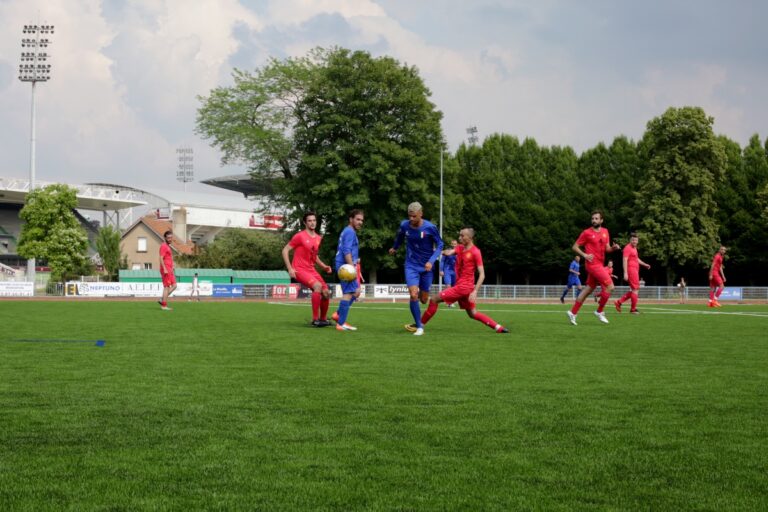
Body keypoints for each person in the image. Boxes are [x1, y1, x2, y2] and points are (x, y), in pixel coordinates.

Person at [417, 227, 508, 334]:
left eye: (462, 235)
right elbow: (449, 252)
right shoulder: (460, 248)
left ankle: (419, 325)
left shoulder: (475, 252)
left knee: (434, 299)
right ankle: (498, 327)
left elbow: (482, 274)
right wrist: (435, 252)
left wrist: (475, 291)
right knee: (472, 314)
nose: (459, 237)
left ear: (469, 238)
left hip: (464, 288)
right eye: (459, 235)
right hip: (464, 288)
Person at [389, 202, 444, 336]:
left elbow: (440, 244)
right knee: (413, 294)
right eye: (409, 216)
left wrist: (431, 261)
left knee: (424, 299)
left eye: (414, 216)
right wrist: (394, 248)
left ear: (421, 214)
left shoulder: (430, 227)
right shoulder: (404, 225)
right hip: (411, 264)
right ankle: (419, 326)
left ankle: (420, 296)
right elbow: (400, 237)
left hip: (426, 267)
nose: (411, 219)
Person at [566, 210, 621, 325]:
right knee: (610, 286)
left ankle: (573, 312)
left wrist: (613, 248)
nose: (594, 220)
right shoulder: (586, 233)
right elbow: (575, 247)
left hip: (600, 264)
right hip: (592, 265)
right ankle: (599, 311)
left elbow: (607, 249)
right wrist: (585, 255)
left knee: (588, 290)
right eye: (592, 219)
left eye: (596, 218)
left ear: (601, 220)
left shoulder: (605, 231)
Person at [281, 211, 333, 327]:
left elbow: (314, 257)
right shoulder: (299, 236)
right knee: (318, 287)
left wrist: (324, 266)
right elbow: (285, 250)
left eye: (314, 220)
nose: (312, 223)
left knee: (326, 293)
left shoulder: (318, 238)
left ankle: (323, 319)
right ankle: (315, 320)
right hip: (299, 269)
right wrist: (290, 269)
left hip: (311, 270)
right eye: (309, 221)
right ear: (305, 223)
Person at [332, 209, 364, 331]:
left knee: (355, 292)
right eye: (358, 219)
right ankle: (341, 323)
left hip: (346, 265)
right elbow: (346, 251)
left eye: (361, 220)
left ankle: (338, 315)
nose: (360, 222)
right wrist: (352, 268)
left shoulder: (348, 231)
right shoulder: (350, 232)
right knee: (349, 293)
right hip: (346, 267)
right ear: (351, 219)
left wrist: (356, 260)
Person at [614, 233, 651, 314]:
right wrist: (625, 273)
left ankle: (619, 302)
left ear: (637, 241)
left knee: (635, 289)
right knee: (635, 289)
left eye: (636, 240)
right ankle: (633, 309)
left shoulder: (634, 248)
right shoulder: (628, 248)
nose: (634, 241)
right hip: (631, 270)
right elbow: (624, 260)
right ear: (630, 240)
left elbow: (636, 259)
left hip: (635, 270)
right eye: (633, 240)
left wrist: (645, 264)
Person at [158, 230, 177, 311]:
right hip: (166, 269)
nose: (170, 239)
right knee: (166, 287)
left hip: (169, 269)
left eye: (171, 237)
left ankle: (162, 299)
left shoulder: (168, 246)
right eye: (168, 237)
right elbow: (160, 258)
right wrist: (165, 268)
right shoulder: (163, 246)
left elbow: (168, 258)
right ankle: (164, 306)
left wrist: (172, 266)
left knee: (175, 285)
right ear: (165, 238)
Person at [440, 239, 458, 307]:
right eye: (453, 244)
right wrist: (441, 270)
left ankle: (449, 300)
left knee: (453, 288)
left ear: (457, 244)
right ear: (451, 244)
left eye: (455, 244)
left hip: (455, 272)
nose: (454, 245)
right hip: (447, 271)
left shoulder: (459, 252)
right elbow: (442, 261)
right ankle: (449, 303)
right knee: (448, 286)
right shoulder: (447, 251)